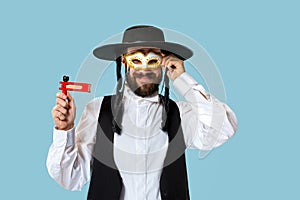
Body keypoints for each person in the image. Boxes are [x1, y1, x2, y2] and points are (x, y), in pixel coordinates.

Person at [47, 25, 238, 200]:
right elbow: (70, 178)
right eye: (136, 59)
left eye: (153, 59)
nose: (144, 68)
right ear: (124, 62)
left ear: (163, 62)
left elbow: (223, 128)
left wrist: (182, 79)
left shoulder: (181, 114)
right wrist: (65, 129)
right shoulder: (97, 111)